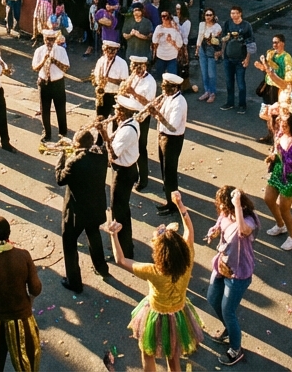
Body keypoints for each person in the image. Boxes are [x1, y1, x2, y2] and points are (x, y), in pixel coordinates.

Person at [110, 189, 205, 372]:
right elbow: (189, 231)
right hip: (179, 314)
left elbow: (121, 260)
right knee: (174, 357)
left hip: (156, 315)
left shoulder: (153, 271)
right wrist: (180, 205)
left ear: (160, 253)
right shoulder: (187, 260)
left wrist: (114, 235)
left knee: (147, 353)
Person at [0, 215, 43, 372]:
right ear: (9, 234)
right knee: (28, 366)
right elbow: (35, 289)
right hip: (23, 320)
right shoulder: (24, 256)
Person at [205, 185, 259, 367]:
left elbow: (243, 230)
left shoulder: (249, 220)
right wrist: (214, 231)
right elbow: (220, 223)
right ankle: (229, 329)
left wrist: (236, 205)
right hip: (222, 266)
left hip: (239, 274)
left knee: (228, 310)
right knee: (212, 298)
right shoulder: (225, 213)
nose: (220, 208)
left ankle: (236, 349)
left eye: (224, 205)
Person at [56, 129, 109, 291]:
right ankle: (102, 268)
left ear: (77, 145)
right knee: (94, 235)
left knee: (69, 243)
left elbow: (60, 179)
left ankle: (74, 282)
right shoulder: (101, 157)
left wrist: (61, 158)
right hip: (95, 207)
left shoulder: (74, 162)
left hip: (76, 211)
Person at [104, 96, 142, 260]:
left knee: (119, 212)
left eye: (117, 109)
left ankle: (124, 251)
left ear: (124, 112)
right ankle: (125, 246)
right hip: (127, 169)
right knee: (122, 210)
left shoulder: (127, 130)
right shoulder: (129, 123)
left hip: (123, 173)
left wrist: (104, 134)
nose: (115, 112)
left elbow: (112, 155)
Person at [264, 112, 292, 252]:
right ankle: (280, 225)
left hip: (291, 177)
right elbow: (276, 154)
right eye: (281, 125)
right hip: (277, 172)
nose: (282, 128)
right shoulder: (279, 136)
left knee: (284, 208)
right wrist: (271, 157)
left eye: (285, 126)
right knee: (268, 199)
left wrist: (280, 155)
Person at [254, 34, 292, 142]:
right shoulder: (272, 54)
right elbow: (270, 70)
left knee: (276, 115)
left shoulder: (286, 57)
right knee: (267, 112)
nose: (274, 45)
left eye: (277, 42)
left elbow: (286, 74)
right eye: (273, 42)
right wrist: (263, 67)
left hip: (278, 89)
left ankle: (277, 138)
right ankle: (270, 134)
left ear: (283, 43)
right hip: (268, 86)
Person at [121, 55, 157, 191]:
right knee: (131, 145)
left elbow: (148, 104)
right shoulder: (135, 76)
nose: (135, 70)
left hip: (142, 117)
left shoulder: (150, 82)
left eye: (138, 67)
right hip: (131, 114)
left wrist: (134, 93)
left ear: (144, 67)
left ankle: (144, 180)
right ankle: (134, 174)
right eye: (133, 67)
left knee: (141, 148)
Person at [155, 73, 188, 216]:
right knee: (164, 171)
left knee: (170, 174)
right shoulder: (168, 97)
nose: (163, 90)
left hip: (172, 139)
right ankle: (168, 200)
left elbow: (173, 127)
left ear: (175, 88)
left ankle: (173, 205)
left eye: (166, 87)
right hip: (163, 136)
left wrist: (157, 115)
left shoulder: (179, 103)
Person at [32, 26, 69, 142]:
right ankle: (47, 133)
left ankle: (63, 132)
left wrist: (54, 61)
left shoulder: (61, 51)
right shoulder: (39, 51)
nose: (50, 42)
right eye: (48, 39)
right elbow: (35, 68)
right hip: (44, 83)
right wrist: (44, 60)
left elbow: (66, 67)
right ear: (44, 39)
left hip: (58, 82)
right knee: (45, 109)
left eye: (52, 39)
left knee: (60, 108)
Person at [220, 5, 254, 114]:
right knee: (229, 82)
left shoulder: (246, 26)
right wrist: (222, 51)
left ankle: (242, 105)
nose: (233, 15)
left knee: (241, 84)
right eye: (232, 13)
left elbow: (251, 44)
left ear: (240, 14)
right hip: (228, 58)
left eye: (235, 13)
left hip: (241, 59)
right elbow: (223, 39)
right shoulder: (227, 24)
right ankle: (230, 103)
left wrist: (247, 59)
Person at [93, 40, 128, 118]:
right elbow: (95, 75)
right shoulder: (101, 60)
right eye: (108, 52)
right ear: (104, 50)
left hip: (115, 95)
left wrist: (109, 79)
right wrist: (98, 81)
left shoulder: (122, 63)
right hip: (101, 94)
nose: (109, 55)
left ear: (116, 51)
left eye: (113, 52)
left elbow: (125, 83)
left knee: (116, 120)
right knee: (100, 119)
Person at [195, 8, 221, 103]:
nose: (208, 17)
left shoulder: (217, 27)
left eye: (210, 15)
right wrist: (197, 49)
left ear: (213, 16)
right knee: (204, 72)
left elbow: (216, 40)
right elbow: (199, 36)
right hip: (202, 48)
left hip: (211, 49)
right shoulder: (201, 24)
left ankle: (212, 93)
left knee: (211, 74)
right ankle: (207, 91)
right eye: (207, 15)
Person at [151, 11, 183, 80]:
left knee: (172, 78)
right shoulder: (159, 28)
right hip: (160, 56)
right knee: (159, 78)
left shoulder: (175, 30)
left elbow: (180, 44)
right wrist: (158, 36)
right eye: (162, 16)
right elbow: (154, 41)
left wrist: (171, 41)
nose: (164, 19)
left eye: (166, 17)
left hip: (172, 56)